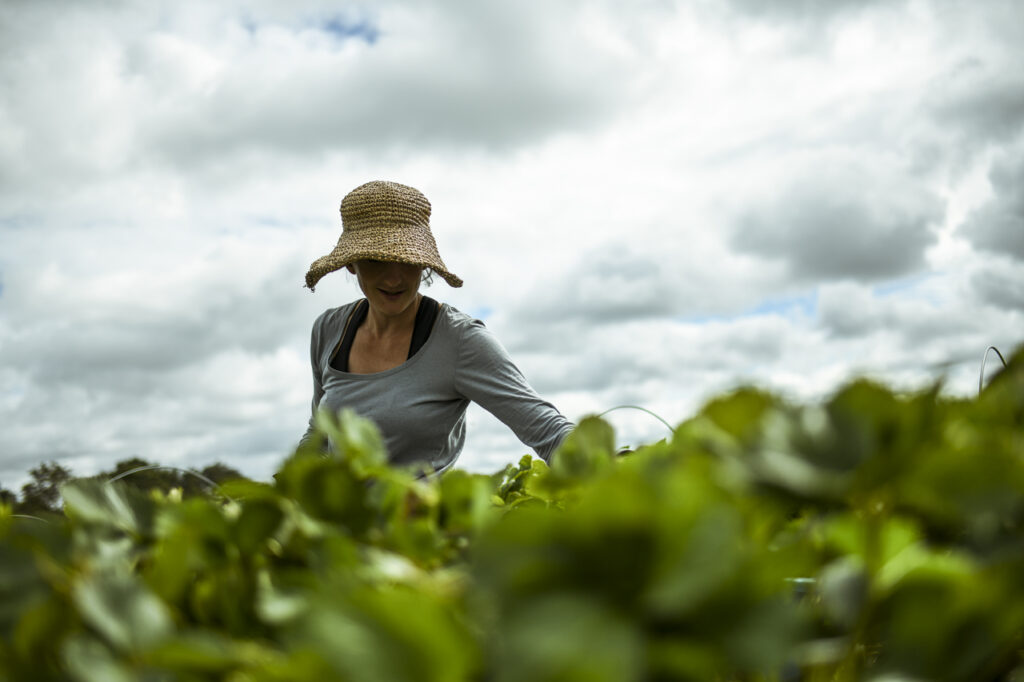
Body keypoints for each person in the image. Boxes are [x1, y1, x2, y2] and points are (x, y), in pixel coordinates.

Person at [300, 180, 574, 474]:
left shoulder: (460, 340)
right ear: (351, 263)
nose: (395, 278)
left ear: (424, 263)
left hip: (422, 518)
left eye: (408, 260)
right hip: (341, 520)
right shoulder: (329, 331)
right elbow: (319, 435)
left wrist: (614, 469)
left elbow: (547, 429)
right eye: (377, 260)